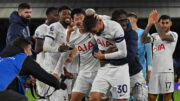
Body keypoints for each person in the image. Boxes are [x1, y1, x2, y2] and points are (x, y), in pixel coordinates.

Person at [83, 15, 130, 101]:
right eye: (91, 32)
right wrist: (100, 55)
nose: (93, 34)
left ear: (100, 23)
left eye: (94, 31)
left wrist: (103, 56)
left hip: (119, 69)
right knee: (94, 98)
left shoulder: (115, 27)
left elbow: (123, 53)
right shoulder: (96, 23)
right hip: (104, 68)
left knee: (121, 100)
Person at [0, 38, 66, 97]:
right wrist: (58, 83)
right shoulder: (23, 58)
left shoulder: (3, 58)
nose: (31, 53)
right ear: (24, 50)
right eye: (29, 50)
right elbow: (43, 75)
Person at [59, 8, 100, 101]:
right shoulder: (73, 35)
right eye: (76, 19)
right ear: (73, 21)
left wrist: (96, 16)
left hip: (99, 72)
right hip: (83, 73)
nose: (80, 21)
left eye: (82, 18)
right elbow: (69, 54)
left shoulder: (95, 30)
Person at [141, 10, 178, 101]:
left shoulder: (173, 35)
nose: (164, 25)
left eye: (166, 23)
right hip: (154, 71)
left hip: (166, 71)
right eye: (162, 23)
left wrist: (156, 22)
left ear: (170, 24)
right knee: (151, 97)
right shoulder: (154, 35)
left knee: (167, 97)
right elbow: (143, 40)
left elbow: (163, 37)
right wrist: (149, 25)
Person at [111, 9, 147, 101]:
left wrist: (108, 58)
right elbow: (95, 52)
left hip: (134, 72)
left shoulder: (132, 34)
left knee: (141, 98)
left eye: (125, 20)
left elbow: (130, 55)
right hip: (117, 74)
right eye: (121, 21)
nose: (124, 23)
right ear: (114, 22)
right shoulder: (107, 34)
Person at [42, 5, 72, 101]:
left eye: (69, 14)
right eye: (64, 14)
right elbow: (45, 46)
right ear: (59, 16)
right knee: (58, 97)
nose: (67, 16)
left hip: (60, 69)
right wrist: (58, 49)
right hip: (50, 68)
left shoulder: (69, 30)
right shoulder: (54, 27)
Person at [34, 7, 59, 101]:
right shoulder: (42, 28)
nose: (59, 17)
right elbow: (37, 49)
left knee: (55, 96)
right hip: (43, 67)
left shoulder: (59, 29)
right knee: (43, 96)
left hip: (54, 67)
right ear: (48, 16)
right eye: (56, 15)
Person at [128, 12, 152, 82]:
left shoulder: (144, 33)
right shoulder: (124, 34)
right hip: (126, 69)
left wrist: (149, 72)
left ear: (132, 20)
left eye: (127, 20)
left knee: (139, 92)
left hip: (140, 70)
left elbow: (149, 55)